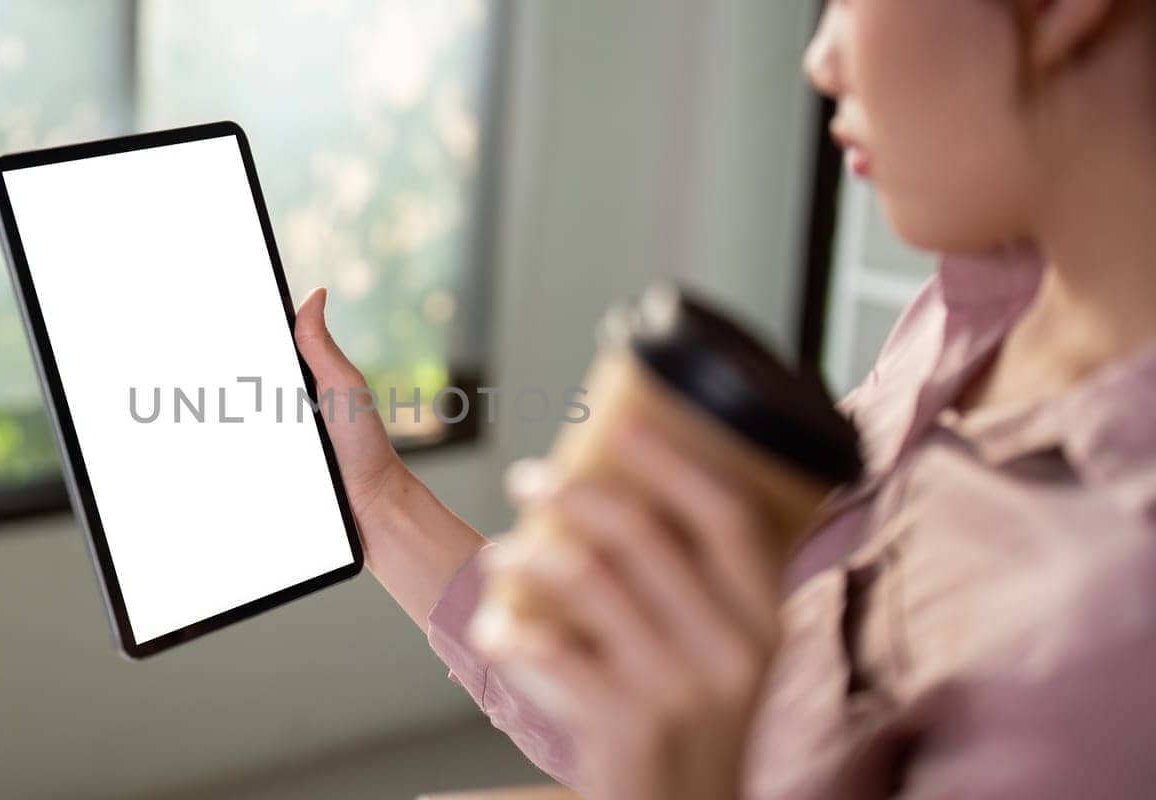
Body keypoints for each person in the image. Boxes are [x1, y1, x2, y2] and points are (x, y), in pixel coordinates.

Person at [291, 0, 1156, 797]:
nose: (820, 58)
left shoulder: (1113, 631)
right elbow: (688, 715)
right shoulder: (968, 311)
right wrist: (378, 499)